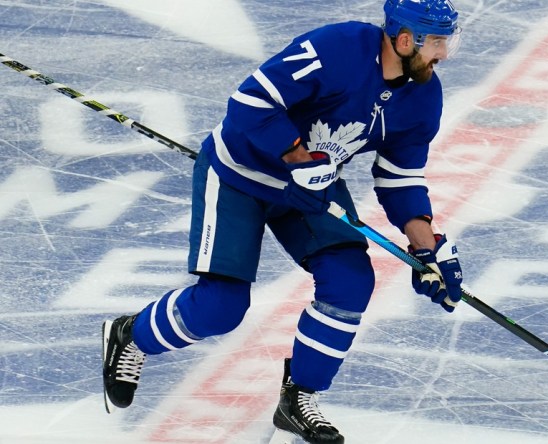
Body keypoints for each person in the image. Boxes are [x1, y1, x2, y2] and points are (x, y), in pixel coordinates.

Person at [101, 0, 464, 442]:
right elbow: (249, 101)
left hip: (311, 189)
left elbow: (400, 176)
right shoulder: (336, 48)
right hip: (240, 177)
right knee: (221, 307)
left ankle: (299, 398)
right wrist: (295, 156)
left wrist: (427, 245)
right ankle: (131, 334)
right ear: (406, 39)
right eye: (438, 41)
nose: (444, 53)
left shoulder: (423, 96)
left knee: (350, 282)